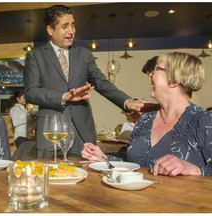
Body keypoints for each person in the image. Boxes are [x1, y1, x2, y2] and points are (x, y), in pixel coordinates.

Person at [24, 5, 144, 159]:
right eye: (65, 26)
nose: (71, 31)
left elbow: (102, 83)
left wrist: (127, 102)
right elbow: (31, 92)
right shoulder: (36, 56)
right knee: (53, 176)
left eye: (73, 25)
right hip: (51, 132)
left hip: (82, 132)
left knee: (86, 176)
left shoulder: (84, 54)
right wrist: (64, 96)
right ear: (50, 30)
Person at [82, 51, 212, 177]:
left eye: (157, 69)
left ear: (175, 79)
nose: (150, 74)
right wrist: (104, 158)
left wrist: (194, 169)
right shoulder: (145, 119)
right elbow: (132, 164)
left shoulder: (204, 121)